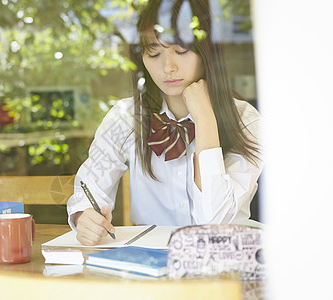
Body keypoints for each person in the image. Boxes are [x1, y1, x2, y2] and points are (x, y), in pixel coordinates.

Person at [67, 0, 263, 246]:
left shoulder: (246, 121)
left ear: (207, 53)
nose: (168, 67)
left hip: (222, 268)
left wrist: (204, 117)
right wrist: (84, 217)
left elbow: (216, 222)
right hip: (146, 265)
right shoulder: (126, 116)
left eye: (181, 50)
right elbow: (90, 187)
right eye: (154, 53)